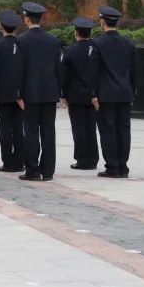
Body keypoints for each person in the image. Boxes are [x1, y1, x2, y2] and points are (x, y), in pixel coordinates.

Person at [16, 1, 63, 181]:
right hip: (50, 93)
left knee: (31, 132)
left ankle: (32, 170)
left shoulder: (21, 40)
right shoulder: (53, 40)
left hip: (30, 93)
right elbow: (59, 69)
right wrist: (59, 92)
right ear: (41, 19)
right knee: (49, 131)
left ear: (26, 19)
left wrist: (18, 93)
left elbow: (19, 70)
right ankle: (48, 171)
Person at [92, 5, 137, 178]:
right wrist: (132, 91)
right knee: (124, 130)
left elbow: (94, 72)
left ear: (102, 21)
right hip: (125, 93)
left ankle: (112, 166)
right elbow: (135, 71)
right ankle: (123, 166)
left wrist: (93, 94)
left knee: (108, 130)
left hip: (106, 94)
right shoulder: (129, 43)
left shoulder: (97, 43)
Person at [0, 10, 25, 173]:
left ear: (1, 26)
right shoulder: (22, 45)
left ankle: (8, 162)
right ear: (16, 28)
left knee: (5, 130)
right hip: (20, 95)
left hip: (2, 95)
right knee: (19, 129)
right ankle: (20, 161)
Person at [61, 16, 100, 171]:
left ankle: (82, 159)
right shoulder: (96, 49)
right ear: (90, 33)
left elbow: (64, 75)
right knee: (91, 127)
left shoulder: (70, 51)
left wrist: (63, 94)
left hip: (75, 96)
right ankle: (93, 159)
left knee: (78, 128)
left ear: (76, 32)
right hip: (94, 95)